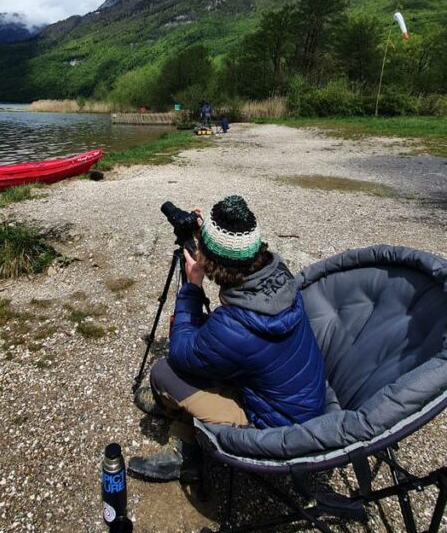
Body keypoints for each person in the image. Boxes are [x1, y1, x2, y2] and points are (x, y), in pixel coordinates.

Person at [129, 195, 326, 481]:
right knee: (211, 351)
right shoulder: (279, 272)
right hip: (299, 398)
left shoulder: (233, 326)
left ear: (210, 259)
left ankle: (186, 451)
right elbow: (235, 255)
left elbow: (182, 353)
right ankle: (175, 409)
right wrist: (205, 232)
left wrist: (193, 286)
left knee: (164, 373)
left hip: (276, 428)